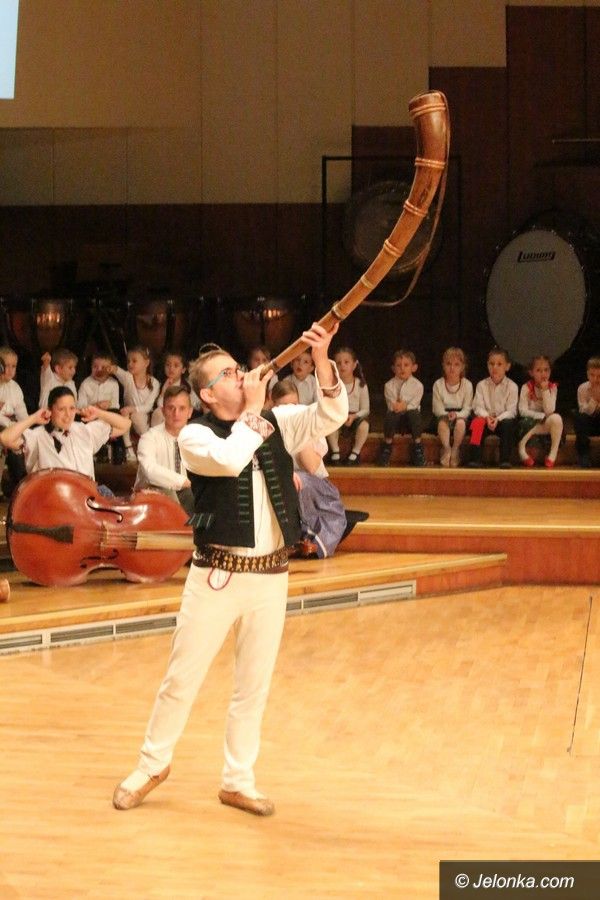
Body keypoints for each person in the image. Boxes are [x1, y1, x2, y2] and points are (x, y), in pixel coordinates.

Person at [112, 322, 348, 817]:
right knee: (182, 678)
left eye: (239, 368)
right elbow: (229, 460)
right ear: (207, 393)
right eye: (228, 373)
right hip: (216, 577)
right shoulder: (195, 435)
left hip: (271, 577)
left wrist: (323, 359)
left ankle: (238, 780)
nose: (241, 375)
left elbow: (332, 414)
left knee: (253, 684)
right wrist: (256, 411)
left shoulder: (278, 422)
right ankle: (151, 765)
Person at [271, 378, 347, 558]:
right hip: (284, 484)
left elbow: (311, 467)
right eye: (284, 407)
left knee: (302, 480)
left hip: (315, 486)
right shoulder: (269, 425)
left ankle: (310, 538)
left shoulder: (308, 423)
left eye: (294, 405)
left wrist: (300, 432)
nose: (290, 411)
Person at [0, 386, 131, 480]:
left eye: (72, 408)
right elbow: (5, 438)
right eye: (61, 409)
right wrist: (33, 418)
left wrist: (99, 413)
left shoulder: (85, 430)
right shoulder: (38, 436)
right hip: (53, 501)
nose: (68, 415)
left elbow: (125, 425)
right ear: (50, 410)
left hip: (85, 499)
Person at [134, 384, 195, 516]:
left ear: (190, 412)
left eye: (182, 408)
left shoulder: (197, 437)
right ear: (162, 411)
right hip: (152, 500)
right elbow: (150, 470)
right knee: (171, 491)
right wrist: (183, 481)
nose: (176, 413)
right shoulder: (149, 437)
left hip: (187, 496)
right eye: (171, 408)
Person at [468, 348, 518, 468]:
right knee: (477, 423)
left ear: (507, 366)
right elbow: (477, 407)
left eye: (499, 364)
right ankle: (475, 459)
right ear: (487, 365)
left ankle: (505, 459)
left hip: (502, 421)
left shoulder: (512, 386)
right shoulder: (481, 385)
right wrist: (487, 417)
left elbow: (511, 410)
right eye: (491, 364)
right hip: (486, 420)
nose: (495, 367)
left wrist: (498, 419)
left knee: (508, 424)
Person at [108, 345, 160, 461]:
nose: (130, 364)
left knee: (137, 416)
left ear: (146, 363)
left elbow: (148, 406)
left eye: (134, 361)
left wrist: (133, 409)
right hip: (128, 414)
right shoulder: (128, 378)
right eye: (128, 361)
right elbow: (117, 370)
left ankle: (149, 446)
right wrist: (111, 368)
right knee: (124, 414)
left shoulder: (154, 383)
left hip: (143, 417)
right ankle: (129, 449)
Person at [378, 349, 425, 467]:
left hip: (411, 422)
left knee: (414, 414)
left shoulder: (418, 386)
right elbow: (391, 405)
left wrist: (405, 406)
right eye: (399, 365)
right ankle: (387, 446)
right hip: (396, 421)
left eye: (406, 365)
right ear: (393, 368)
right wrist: (400, 406)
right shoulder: (389, 385)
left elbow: (414, 404)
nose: (402, 368)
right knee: (391, 415)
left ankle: (418, 447)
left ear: (414, 367)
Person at [327, 346, 370, 466]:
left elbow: (366, 409)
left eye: (346, 362)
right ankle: (335, 451)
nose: (342, 366)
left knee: (364, 426)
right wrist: (339, 415)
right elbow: (328, 406)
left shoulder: (361, 385)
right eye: (338, 363)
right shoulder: (331, 385)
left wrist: (353, 416)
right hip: (337, 416)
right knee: (329, 423)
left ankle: (355, 453)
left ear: (354, 365)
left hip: (354, 417)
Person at [517, 355, 563, 468]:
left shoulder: (552, 388)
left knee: (556, 418)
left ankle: (552, 455)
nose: (543, 374)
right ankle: (522, 449)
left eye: (546, 370)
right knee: (524, 424)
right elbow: (522, 411)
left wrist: (545, 390)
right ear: (531, 373)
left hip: (545, 424)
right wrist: (540, 416)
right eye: (538, 370)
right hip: (530, 423)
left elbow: (550, 410)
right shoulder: (526, 387)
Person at [432, 346, 473, 468]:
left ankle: (455, 449)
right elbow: (437, 408)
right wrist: (446, 414)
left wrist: (457, 415)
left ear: (463, 367)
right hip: (444, 415)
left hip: (460, 416)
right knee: (442, 424)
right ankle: (446, 449)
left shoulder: (467, 385)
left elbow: (467, 408)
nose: (452, 368)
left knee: (460, 423)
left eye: (456, 364)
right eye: (448, 364)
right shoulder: (438, 384)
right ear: (443, 365)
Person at [150, 350, 201, 427]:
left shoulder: (188, 386)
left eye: (176, 366)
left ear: (183, 369)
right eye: (168, 365)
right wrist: (163, 391)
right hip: (165, 418)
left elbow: (194, 406)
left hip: (183, 418)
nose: (171, 368)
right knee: (158, 413)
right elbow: (159, 406)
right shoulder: (159, 384)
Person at [574, 356, 600, 468]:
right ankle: (584, 456)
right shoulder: (582, 388)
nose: (595, 379)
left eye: (599, 376)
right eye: (592, 375)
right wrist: (594, 400)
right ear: (587, 374)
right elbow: (584, 410)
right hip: (589, 424)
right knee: (579, 417)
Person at [0, 346, 28, 429]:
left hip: (12, 428)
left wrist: (26, 426)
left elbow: (22, 412)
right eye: (7, 365)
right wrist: (11, 425)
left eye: (13, 366)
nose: (10, 370)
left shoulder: (15, 387)